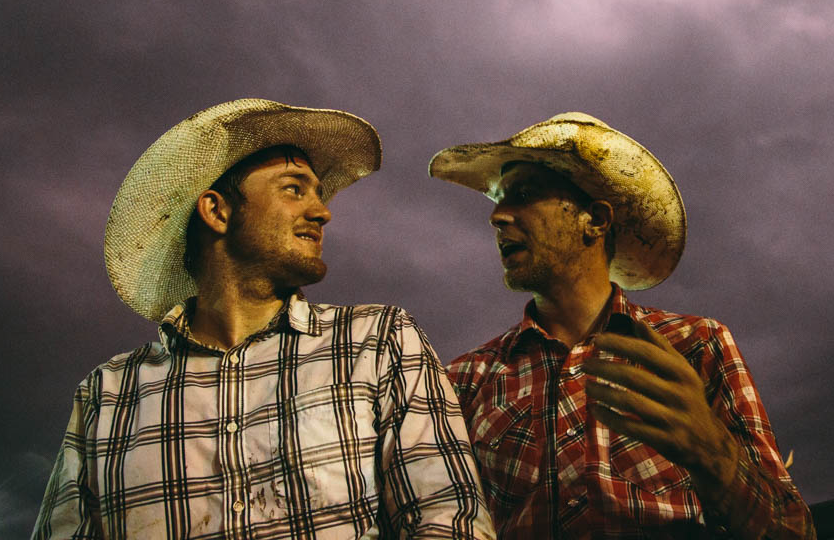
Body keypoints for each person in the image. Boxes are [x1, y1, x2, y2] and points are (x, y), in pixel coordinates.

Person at [34, 99, 495, 540]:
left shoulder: (377, 343)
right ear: (217, 210)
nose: (322, 211)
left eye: (317, 193)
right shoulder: (109, 395)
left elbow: (448, 517)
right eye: (294, 189)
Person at [429, 112, 815, 539]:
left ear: (595, 219)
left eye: (522, 193)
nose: (497, 217)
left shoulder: (695, 344)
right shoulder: (465, 380)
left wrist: (713, 452)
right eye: (498, 200)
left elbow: (793, 531)